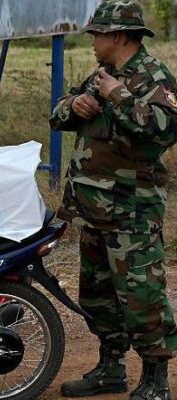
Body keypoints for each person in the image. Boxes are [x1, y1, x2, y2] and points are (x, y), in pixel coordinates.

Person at [51, 1, 177, 398]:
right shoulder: (101, 75)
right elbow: (58, 114)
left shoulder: (153, 76)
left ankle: (156, 380)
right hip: (93, 209)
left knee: (142, 299)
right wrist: (75, 105)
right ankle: (110, 369)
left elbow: (163, 129)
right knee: (98, 297)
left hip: (132, 212)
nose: (92, 41)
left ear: (119, 36)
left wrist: (119, 95)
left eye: (98, 34)